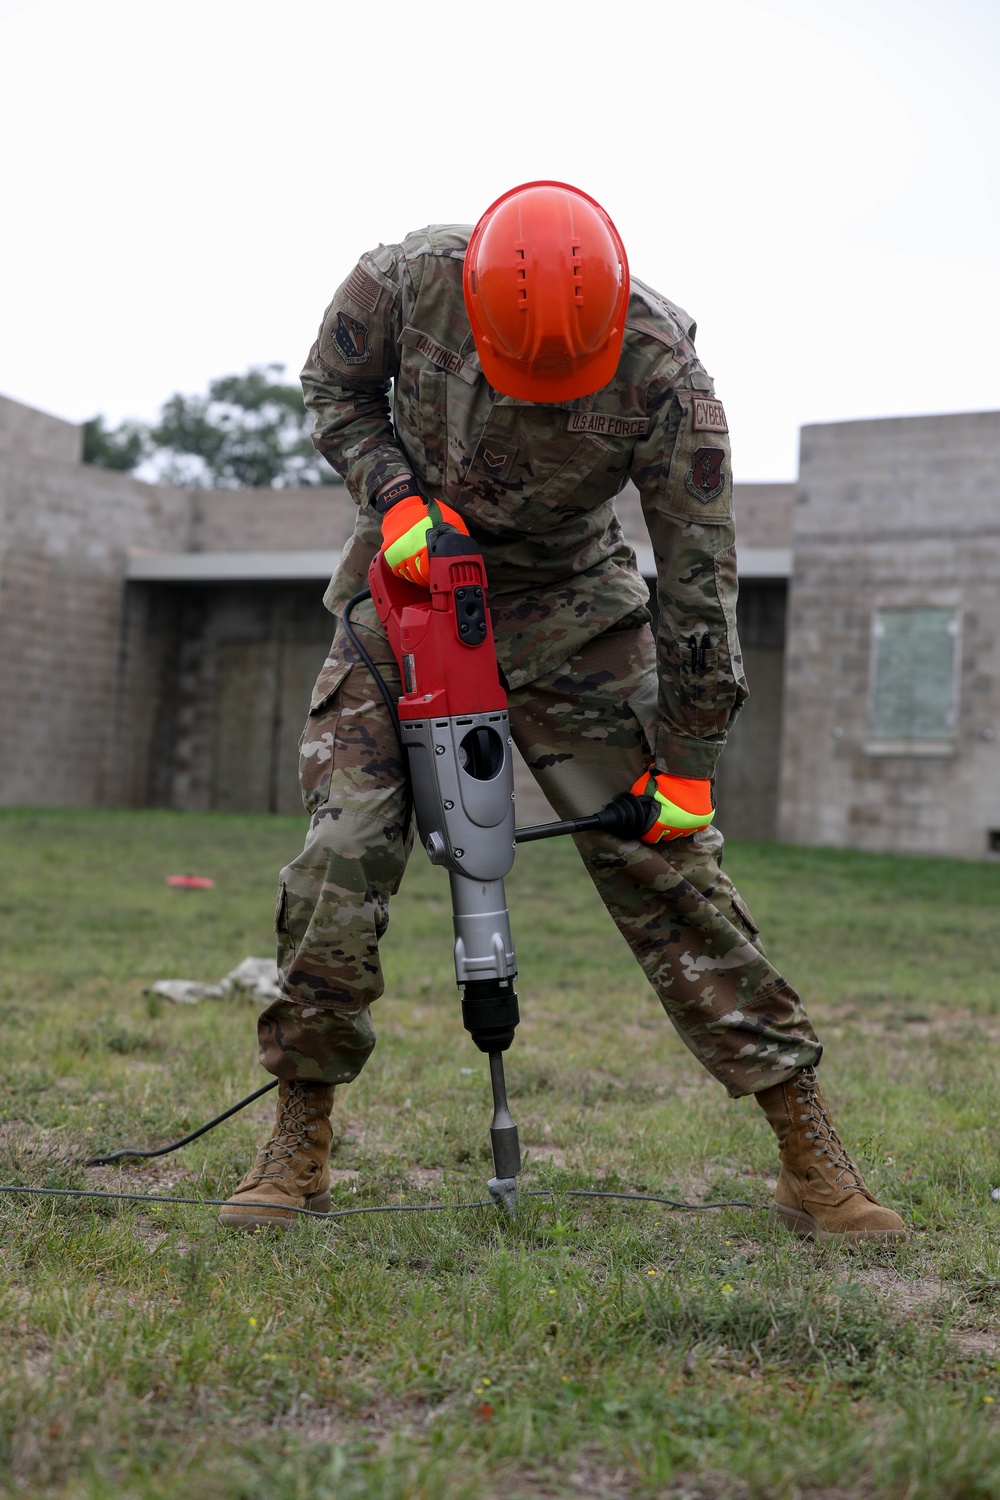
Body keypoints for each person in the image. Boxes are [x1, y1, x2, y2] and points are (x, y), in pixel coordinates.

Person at [221, 181, 905, 1245]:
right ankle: (297, 1140)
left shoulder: (665, 373)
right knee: (341, 851)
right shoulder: (403, 278)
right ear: (476, 306)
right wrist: (397, 500)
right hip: (404, 586)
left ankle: (806, 1153)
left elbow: (699, 580)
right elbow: (332, 389)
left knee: (670, 867)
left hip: (568, 607)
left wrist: (685, 759)